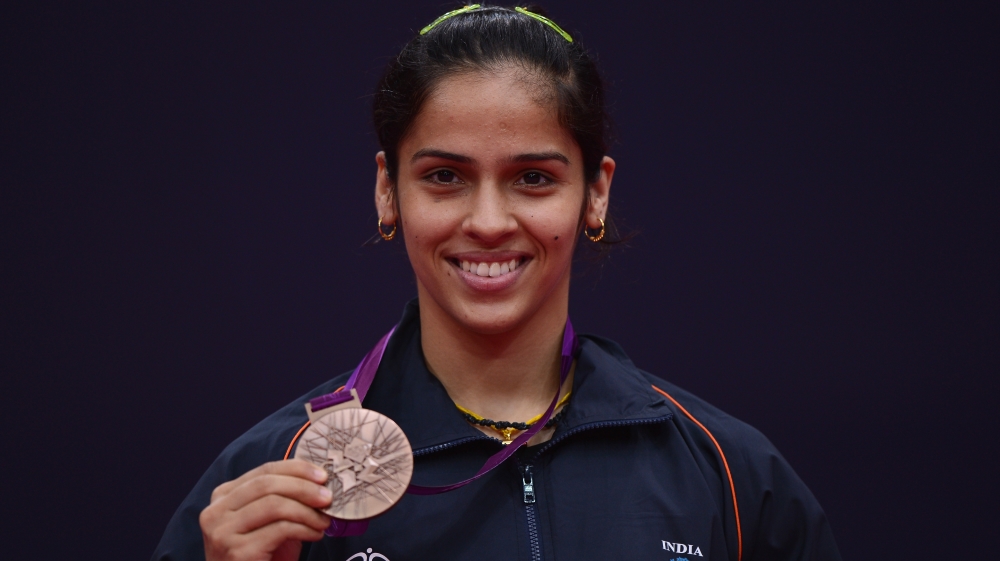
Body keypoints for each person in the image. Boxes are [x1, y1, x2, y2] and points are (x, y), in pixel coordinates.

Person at [152, 5, 842, 560]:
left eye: (533, 177)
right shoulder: (271, 481)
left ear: (596, 193)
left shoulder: (726, 474)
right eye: (444, 176)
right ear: (388, 191)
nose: (487, 222)